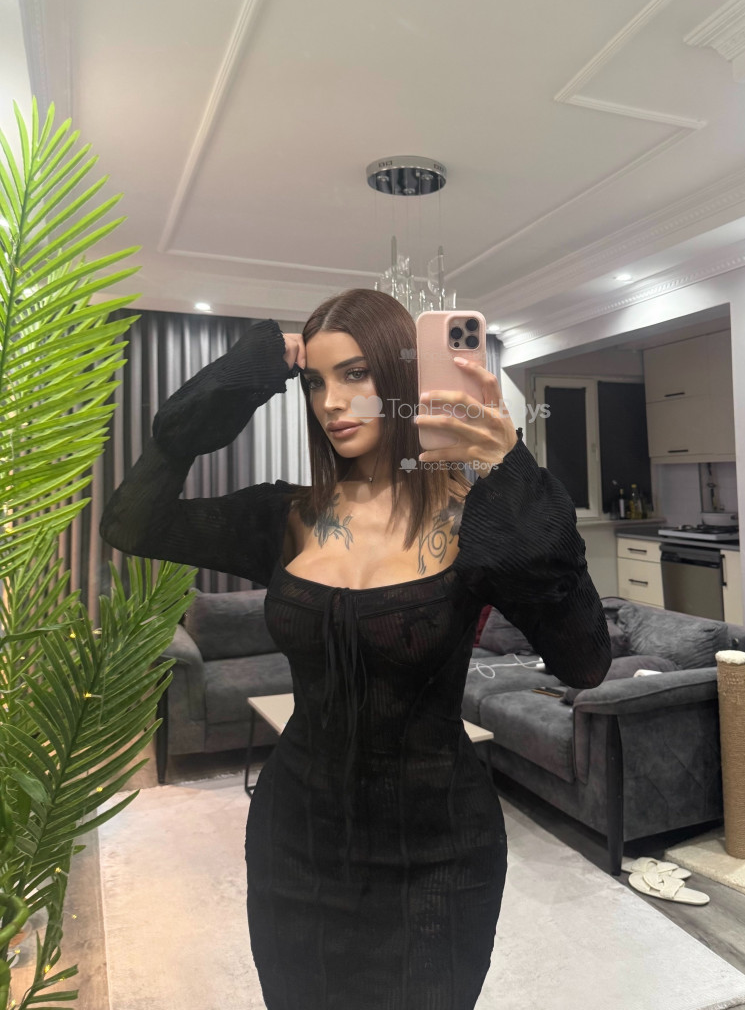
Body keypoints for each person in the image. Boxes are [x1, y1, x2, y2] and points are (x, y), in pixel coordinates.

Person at [99, 288, 611, 1010]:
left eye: (357, 374)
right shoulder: (286, 518)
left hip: (440, 850)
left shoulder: (475, 525)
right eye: (316, 381)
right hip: (294, 841)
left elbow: (584, 662)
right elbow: (131, 523)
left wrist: (511, 471)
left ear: (401, 381)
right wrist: (243, 373)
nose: (332, 402)